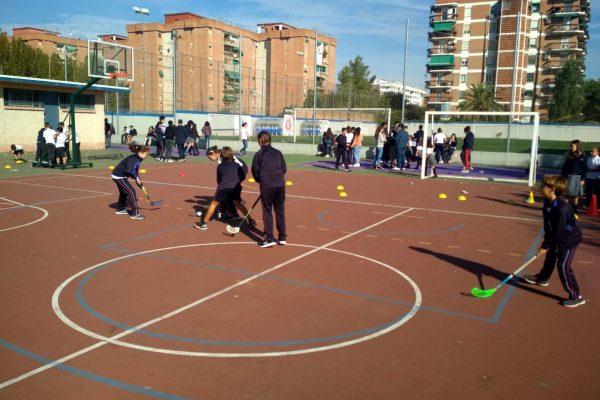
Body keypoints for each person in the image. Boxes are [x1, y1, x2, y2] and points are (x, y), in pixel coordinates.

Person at [523, 174, 585, 308]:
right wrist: (546, 243)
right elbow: (549, 226)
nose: (541, 187)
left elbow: (559, 231)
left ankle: (576, 295)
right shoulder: (547, 204)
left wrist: (546, 246)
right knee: (550, 257)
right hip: (557, 236)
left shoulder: (563, 208)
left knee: (563, 266)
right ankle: (543, 278)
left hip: (569, 240)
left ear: (552, 189)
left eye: (544, 185)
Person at [195, 146, 257, 231]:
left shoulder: (221, 165)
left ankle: (204, 223)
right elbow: (238, 175)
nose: (209, 158)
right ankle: (250, 220)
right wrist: (236, 181)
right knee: (237, 202)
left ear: (216, 154)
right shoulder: (231, 161)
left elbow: (219, 179)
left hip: (230, 180)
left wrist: (223, 187)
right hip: (236, 184)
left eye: (210, 156)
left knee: (214, 203)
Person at [251, 131, 287, 248]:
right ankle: (282, 237)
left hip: (267, 186)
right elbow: (284, 169)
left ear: (261, 141)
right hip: (280, 185)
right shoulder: (278, 153)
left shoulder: (259, 154)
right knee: (279, 210)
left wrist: (261, 181)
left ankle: (269, 237)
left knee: (267, 211)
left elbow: (255, 171)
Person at [111, 143, 149, 220]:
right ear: (141, 152)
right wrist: (135, 177)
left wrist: (140, 185)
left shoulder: (137, 158)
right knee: (131, 192)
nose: (146, 156)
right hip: (119, 176)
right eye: (146, 154)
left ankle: (120, 209)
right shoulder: (134, 159)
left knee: (124, 192)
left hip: (119, 175)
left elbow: (135, 171)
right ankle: (134, 214)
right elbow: (130, 170)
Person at [560, 139, 586, 215]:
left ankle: (575, 210)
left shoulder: (582, 156)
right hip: (568, 176)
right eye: (570, 146)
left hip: (577, 177)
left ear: (577, 146)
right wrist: (563, 175)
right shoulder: (569, 156)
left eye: (572, 146)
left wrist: (583, 179)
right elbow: (565, 167)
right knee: (566, 194)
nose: (571, 147)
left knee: (575, 195)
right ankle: (565, 209)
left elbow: (584, 168)